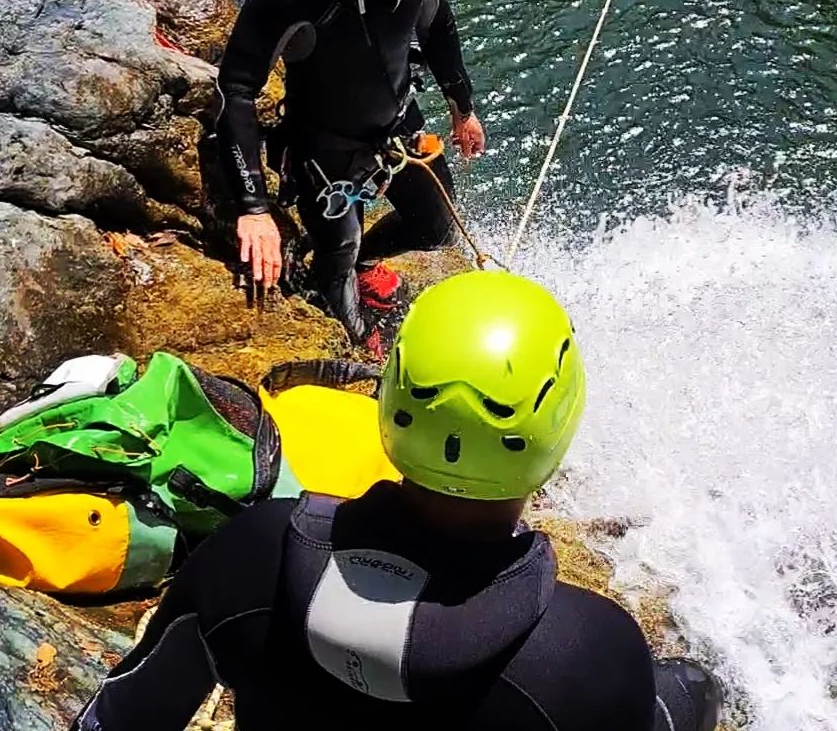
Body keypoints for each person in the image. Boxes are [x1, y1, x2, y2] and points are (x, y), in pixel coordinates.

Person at [71, 271, 722, 731]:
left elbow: (120, 715)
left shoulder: (251, 554)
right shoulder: (588, 654)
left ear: (390, 402)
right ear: (558, 432)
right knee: (692, 688)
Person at [215, 0, 485, 355]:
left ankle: (369, 270)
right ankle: (352, 313)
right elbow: (237, 90)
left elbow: (437, 28)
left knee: (436, 231)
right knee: (337, 279)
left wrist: (462, 106)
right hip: (326, 154)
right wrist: (254, 208)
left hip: (398, 130)